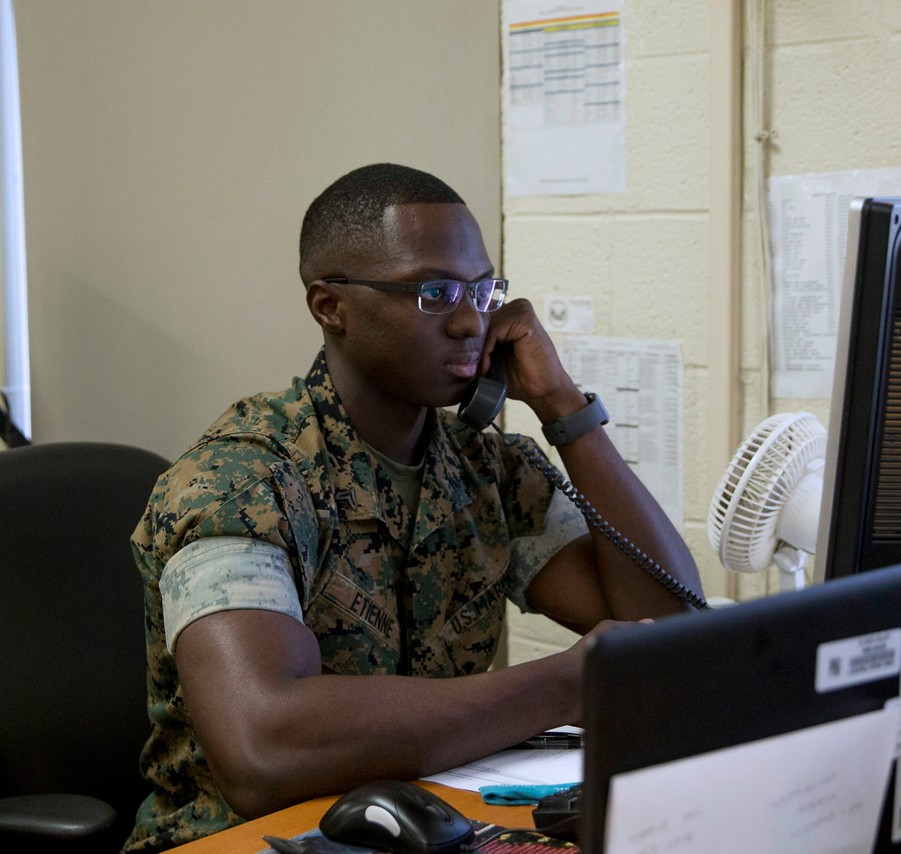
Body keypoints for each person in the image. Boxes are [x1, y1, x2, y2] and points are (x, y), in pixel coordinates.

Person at [124, 163, 704, 852]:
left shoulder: (485, 469)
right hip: (240, 842)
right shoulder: (243, 477)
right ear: (329, 306)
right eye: (434, 293)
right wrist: (563, 684)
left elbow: (666, 634)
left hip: (426, 827)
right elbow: (262, 746)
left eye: (484, 291)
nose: (470, 321)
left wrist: (563, 406)